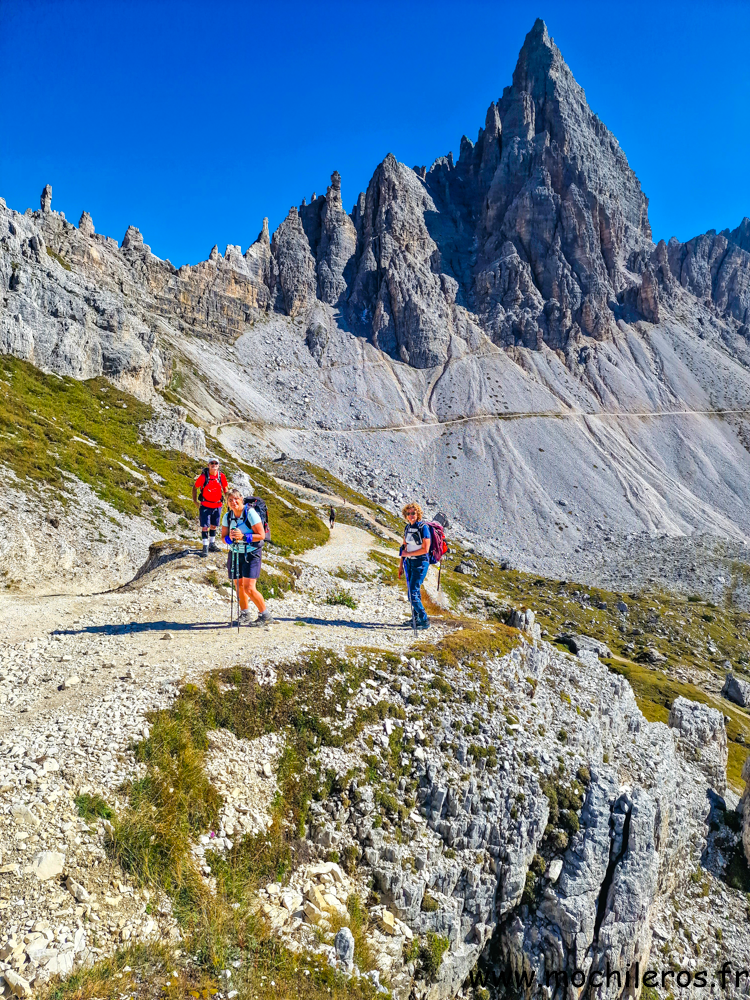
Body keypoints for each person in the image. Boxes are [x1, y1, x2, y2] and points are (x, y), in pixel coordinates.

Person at [221, 488, 274, 626]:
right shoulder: (227, 516)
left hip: (251, 553)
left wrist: (243, 536)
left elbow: (261, 535)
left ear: (241, 499)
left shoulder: (250, 513)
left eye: (236, 499)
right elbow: (223, 538)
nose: (233, 502)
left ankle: (266, 616)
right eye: (230, 500)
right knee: (238, 585)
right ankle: (245, 614)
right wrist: (230, 538)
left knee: (249, 588)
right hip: (235, 552)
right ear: (227, 502)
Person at [398, 502, 431, 630]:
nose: (411, 515)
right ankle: (416, 619)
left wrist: (408, 554)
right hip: (410, 563)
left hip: (421, 563)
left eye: (413, 513)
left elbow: (425, 549)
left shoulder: (423, 528)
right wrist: (401, 565)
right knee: (414, 592)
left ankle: (424, 620)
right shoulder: (407, 528)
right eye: (408, 513)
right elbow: (404, 547)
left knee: (412, 593)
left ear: (418, 514)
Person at [193, 459, 228, 557]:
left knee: (214, 525)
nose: (214, 465)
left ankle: (212, 544)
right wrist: (195, 501)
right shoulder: (203, 477)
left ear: (218, 465)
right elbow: (194, 488)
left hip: (217, 505)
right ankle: (205, 547)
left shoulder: (221, 476)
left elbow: (225, 489)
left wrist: (228, 500)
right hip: (205, 505)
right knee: (205, 526)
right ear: (208, 465)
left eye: (216, 463)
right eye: (212, 463)